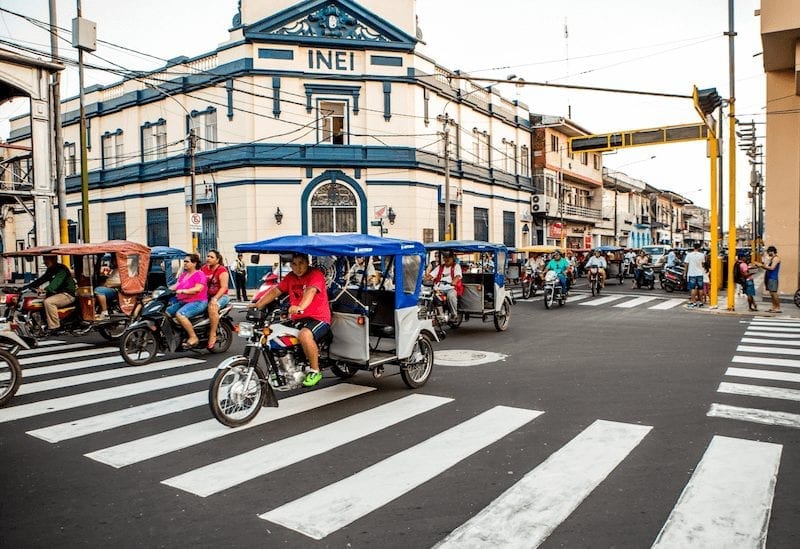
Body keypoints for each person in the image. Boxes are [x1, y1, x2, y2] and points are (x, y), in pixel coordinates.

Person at [253, 252, 330, 387]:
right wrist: (258, 304)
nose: (298, 267)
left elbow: (310, 292)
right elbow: (275, 291)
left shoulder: (315, 274)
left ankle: (315, 370)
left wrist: (300, 306)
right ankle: (279, 369)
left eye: (301, 263)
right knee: (271, 332)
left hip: (318, 318)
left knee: (305, 335)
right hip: (298, 318)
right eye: (294, 264)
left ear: (307, 262)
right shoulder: (290, 277)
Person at [25, 255, 76, 332]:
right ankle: (39, 323)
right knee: (35, 301)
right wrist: (26, 287)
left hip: (67, 294)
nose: (44, 262)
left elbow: (55, 284)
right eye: (44, 259)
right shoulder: (50, 270)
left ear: (54, 259)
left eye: (46, 260)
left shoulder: (61, 269)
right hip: (56, 294)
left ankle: (55, 326)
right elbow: (41, 280)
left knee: (49, 302)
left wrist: (45, 290)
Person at [168, 254, 208, 349]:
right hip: (183, 301)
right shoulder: (184, 275)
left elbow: (198, 289)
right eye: (184, 261)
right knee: (166, 312)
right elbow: (176, 285)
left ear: (194, 263)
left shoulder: (199, 274)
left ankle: (193, 337)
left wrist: (183, 291)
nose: (184, 263)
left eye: (187, 261)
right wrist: (164, 291)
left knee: (180, 314)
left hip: (198, 302)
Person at [202, 250, 230, 350]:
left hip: (221, 296)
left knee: (212, 307)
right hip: (206, 296)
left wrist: (214, 299)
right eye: (207, 256)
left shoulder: (222, 270)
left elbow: (224, 287)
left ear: (217, 259)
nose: (208, 258)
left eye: (211, 257)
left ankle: (213, 334)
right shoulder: (204, 268)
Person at [424, 251, 463, 316]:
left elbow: (457, 276)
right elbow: (431, 275)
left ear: (452, 258)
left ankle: (454, 314)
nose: (446, 259)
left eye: (448, 258)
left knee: (451, 296)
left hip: (451, 288)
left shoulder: (456, 266)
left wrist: (454, 282)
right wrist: (424, 279)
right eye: (445, 257)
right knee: (433, 296)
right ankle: (440, 313)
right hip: (439, 288)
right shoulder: (440, 267)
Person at [756, 246, 782, 313]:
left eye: (768, 252)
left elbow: (772, 268)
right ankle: (774, 307)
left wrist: (762, 266)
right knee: (771, 294)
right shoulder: (772, 259)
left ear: (772, 251)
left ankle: (778, 307)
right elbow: (768, 268)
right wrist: (762, 266)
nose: (768, 254)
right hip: (770, 278)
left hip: (773, 278)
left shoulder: (776, 259)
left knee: (774, 293)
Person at [684, 242, 706, 308]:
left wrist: (685, 273)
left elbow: (686, 264)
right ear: (699, 248)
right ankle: (701, 302)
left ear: (693, 247)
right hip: (700, 273)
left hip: (692, 273)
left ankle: (693, 302)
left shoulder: (689, 255)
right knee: (700, 288)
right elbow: (703, 264)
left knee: (693, 288)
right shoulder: (702, 255)